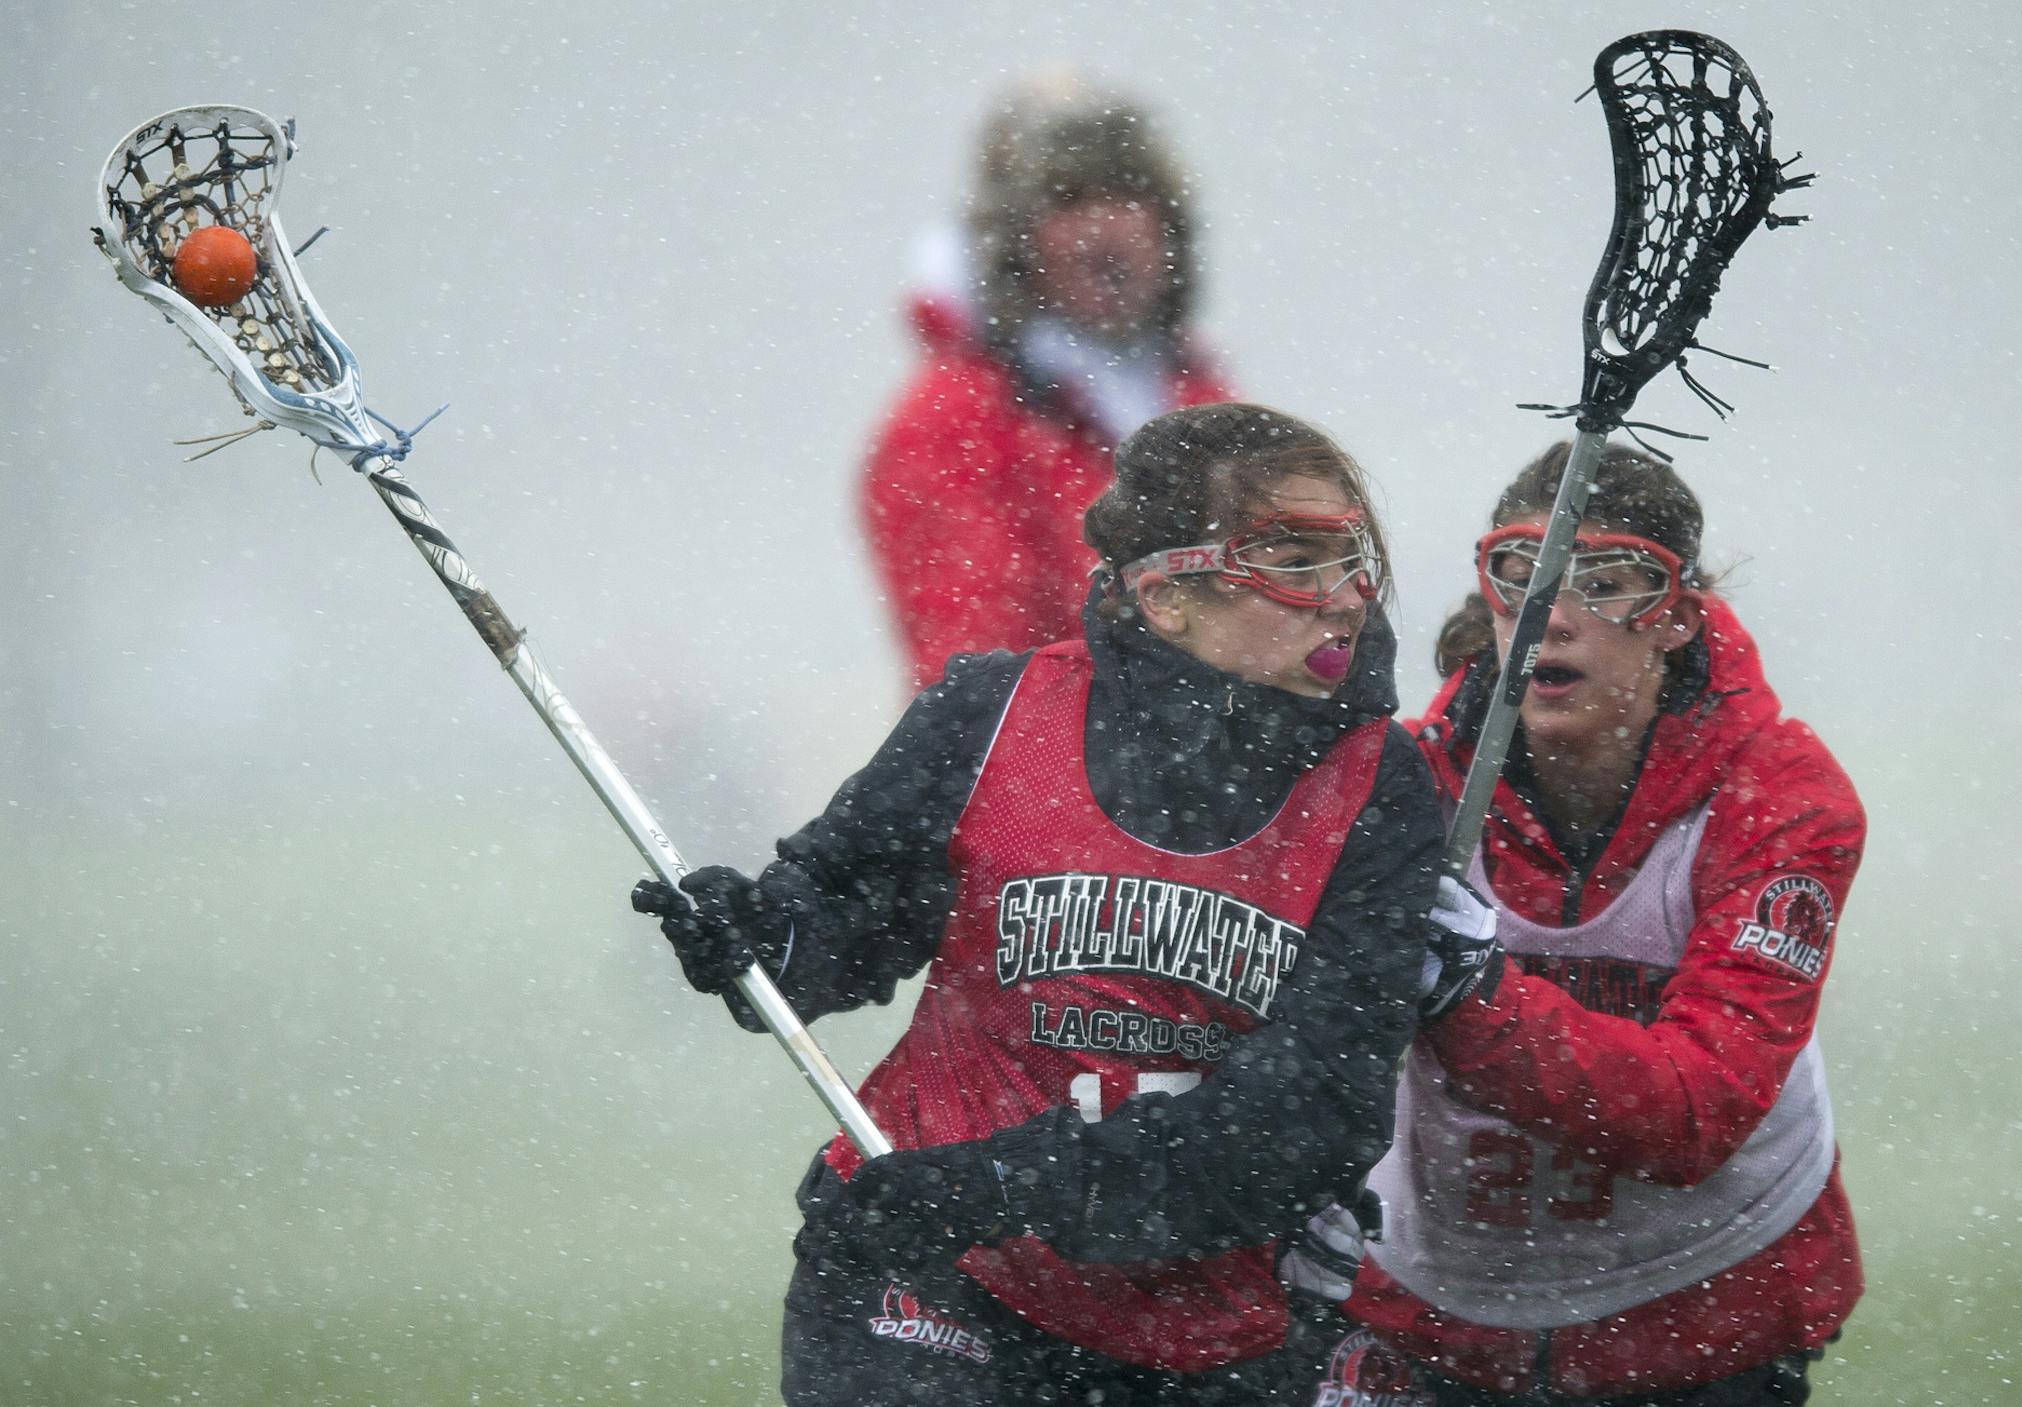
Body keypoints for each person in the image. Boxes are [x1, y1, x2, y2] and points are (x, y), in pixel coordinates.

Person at [635, 403, 1498, 1405]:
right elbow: (850, 920)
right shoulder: (990, 710)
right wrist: (762, 939)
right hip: (929, 1275)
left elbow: (1311, 1115)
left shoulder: (1379, 789)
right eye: (1295, 563)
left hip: (1200, 1330)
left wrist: (1014, 1184)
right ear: (1168, 594)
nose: (1344, 599)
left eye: (1351, 559)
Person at [1296, 443, 1865, 1406]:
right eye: (1524, 578)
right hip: (1432, 1304)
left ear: (1677, 619)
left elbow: (1695, 1115)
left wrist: (1472, 999)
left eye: (1608, 584)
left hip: (1701, 1308)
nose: (1553, 617)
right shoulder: (1402, 784)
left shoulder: (1778, 797)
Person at [860, 71, 1235, 692]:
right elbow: (983, 693)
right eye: (1069, 200)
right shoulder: (954, 420)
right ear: (1012, 243)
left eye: (1127, 197)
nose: (1104, 230)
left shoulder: (1197, 395)